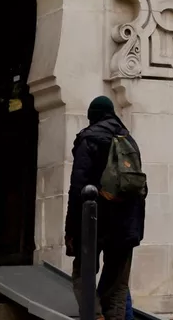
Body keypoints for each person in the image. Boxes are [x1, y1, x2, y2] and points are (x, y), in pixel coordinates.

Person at [67, 96, 146, 320]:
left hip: (95, 221)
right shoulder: (129, 140)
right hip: (126, 223)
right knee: (117, 285)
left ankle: (95, 316)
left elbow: (77, 188)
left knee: (82, 274)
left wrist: (71, 230)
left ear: (93, 116)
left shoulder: (88, 139)